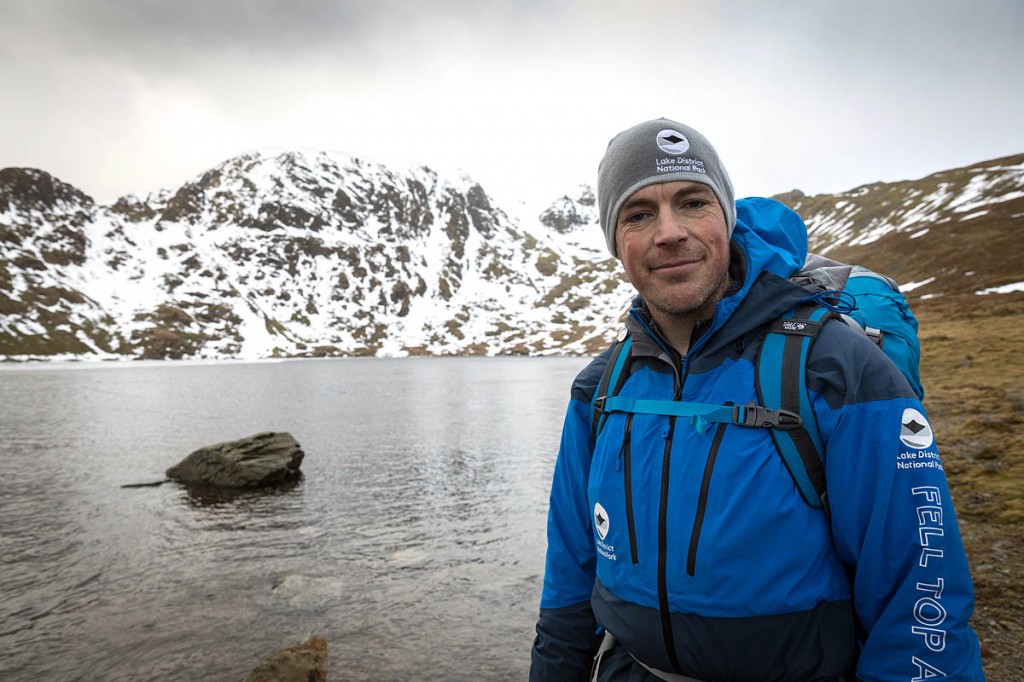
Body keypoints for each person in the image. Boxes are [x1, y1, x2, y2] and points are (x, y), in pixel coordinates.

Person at [529, 118, 985, 681]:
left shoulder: (833, 369)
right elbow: (569, 581)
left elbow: (918, 601)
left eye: (693, 202)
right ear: (616, 242)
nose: (669, 232)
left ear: (727, 216)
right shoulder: (601, 387)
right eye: (639, 214)